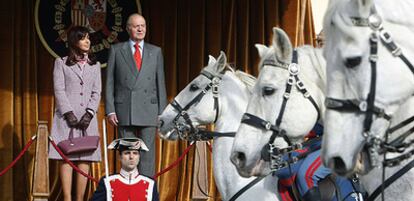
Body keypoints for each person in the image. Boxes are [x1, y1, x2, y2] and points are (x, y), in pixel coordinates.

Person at [105, 13, 167, 177]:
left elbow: (160, 83)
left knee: (147, 154)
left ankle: (147, 191)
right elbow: (110, 82)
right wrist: (110, 110)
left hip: (150, 109)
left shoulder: (156, 51)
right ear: (128, 29)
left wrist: (162, 112)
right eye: (136, 26)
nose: (140, 29)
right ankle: (128, 190)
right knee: (128, 154)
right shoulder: (117, 50)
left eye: (143, 25)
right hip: (125, 109)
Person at [48, 26, 102, 201]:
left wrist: (89, 113)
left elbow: (97, 92)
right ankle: (67, 198)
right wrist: (68, 113)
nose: (88, 41)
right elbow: (59, 90)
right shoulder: (61, 63)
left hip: (87, 120)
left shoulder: (95, 65)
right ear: (73, 41)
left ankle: (79, 198)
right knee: (67, 157)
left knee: (85, 156)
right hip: (66, 120)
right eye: (83, 38)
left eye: (88, 38)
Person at [91, 138, 159, 201]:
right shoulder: (107, 182)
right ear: (119, 157)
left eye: (135, 153)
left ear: (139, 157)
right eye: (127, 153)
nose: (131, 157)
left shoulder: (150, 183)